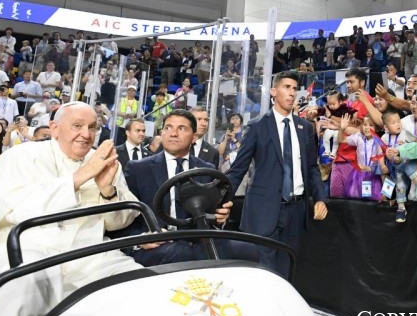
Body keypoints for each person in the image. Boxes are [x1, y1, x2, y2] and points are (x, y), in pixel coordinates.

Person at [0, 102, 142, 316]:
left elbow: (118, 221)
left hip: (89, 254)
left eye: (92, 127)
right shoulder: (20, 156)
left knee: (137, 287)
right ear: (55, 128)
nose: (86, 134)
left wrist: (107, 191)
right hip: (23, 249)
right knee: (19, 290)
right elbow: (18, 209)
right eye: (77, 126)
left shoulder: (102, 161)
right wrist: (78, 178)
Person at [227, 71, 328, 277]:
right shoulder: (257, 126)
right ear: (274, 91)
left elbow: (311, 168)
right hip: (263, 210)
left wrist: (320, 198)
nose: (292, 93)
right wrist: (221, 200)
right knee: (262, 274)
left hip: (296, 211)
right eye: (286, 87)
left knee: (287, 272)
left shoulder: (305, 128)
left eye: (294, 89)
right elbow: (239, 168)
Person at [117, 109, 233, 266]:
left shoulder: (207, 169)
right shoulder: (138, 169)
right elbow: (123, 217)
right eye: (168, 128)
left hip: (197, 242)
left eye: (182, 129)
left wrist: (221, 217)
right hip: (156, 245)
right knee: (181, 254)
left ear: (193, 137)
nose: (173, 133)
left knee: (248, 249)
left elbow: (212, 215)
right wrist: (140, 239)